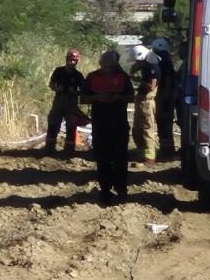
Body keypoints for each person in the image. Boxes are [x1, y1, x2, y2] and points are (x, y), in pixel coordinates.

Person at [80, 50, 134, 203]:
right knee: (102, 158)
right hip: (100, 124)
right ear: (100, 64)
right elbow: (83, 98)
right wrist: (97, 97)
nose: (109, 69)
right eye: (106, 66)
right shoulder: (92, 77)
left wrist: (118, 98)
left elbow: (131, 97)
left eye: (112, 66)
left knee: (120, 157)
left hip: (119, 124)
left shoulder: (122, 77)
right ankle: (105, 189)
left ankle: (121, 189)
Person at [45, 48, 84, 156]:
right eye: (71, 60)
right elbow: (51, 84)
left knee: (71, 125)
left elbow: (84, 91)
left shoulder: (78, 75)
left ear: (77, 61)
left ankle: (69, 150)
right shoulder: (59, 71)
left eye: (74, 60)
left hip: (72, 101)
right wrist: (57, 89)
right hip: (59, 99)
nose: (72, 62)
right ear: (66, 59)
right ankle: (49, 148)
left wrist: (75, 92)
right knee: (53, 123)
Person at [129, 44, 159, 165]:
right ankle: (142, 152)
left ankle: (150, 158)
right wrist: (133, 70)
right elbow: (135, 67)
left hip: (147, 101)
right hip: (142, 101)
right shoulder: (146, 66)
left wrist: (139, 80)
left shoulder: (153, 68)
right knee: (137, 129)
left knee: (147, 129)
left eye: (138, 61)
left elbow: (151, 86)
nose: (137, 63)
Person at [151, 38, 177, 159]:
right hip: (166, 96)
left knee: (164, 123)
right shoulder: (166, 61)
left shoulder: (163, 63)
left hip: (165, 97)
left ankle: (167, 150)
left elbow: (167, 81)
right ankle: (167, 148)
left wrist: (164, 98)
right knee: (165, 123)